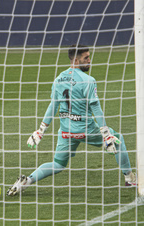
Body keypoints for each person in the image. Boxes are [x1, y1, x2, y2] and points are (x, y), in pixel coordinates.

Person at [7, 44, 136, 196]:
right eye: (86, 58)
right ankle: (129, 178)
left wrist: (40, 131)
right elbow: (96, 109)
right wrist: (106, 134)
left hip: (66, 132)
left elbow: (52, 106)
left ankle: (27, 180)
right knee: (118, 139)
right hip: (86, 129)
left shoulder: (59, 78)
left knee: (58, 164)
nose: (89, 60)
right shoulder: (88, 80)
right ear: (76, 60)